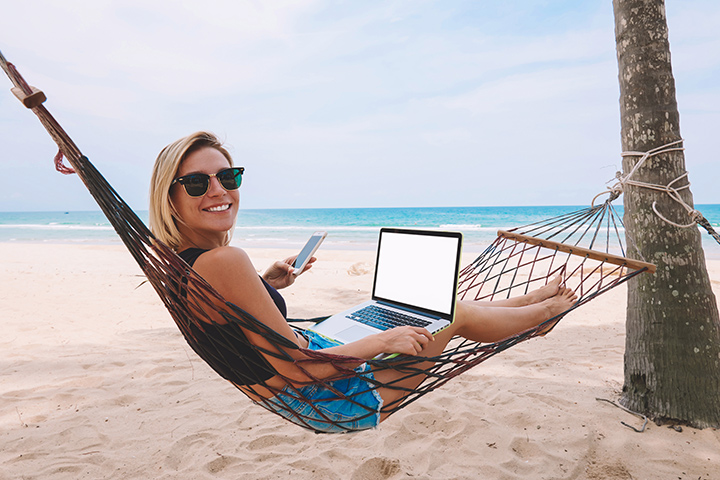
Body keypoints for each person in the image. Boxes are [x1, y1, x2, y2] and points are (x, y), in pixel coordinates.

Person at [149, 131, 577, 433]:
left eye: (228, 177)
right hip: (331, 399)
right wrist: (380, 341)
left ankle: (530, 299)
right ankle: (542, 313)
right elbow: (304, 373)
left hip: (307, 364)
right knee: (451, 315)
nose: (218, 190)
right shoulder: (224, 260)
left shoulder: (185, 263)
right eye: (196, 182)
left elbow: (225, 319)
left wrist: (265, 286)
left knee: (427, 306)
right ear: (170, 196)